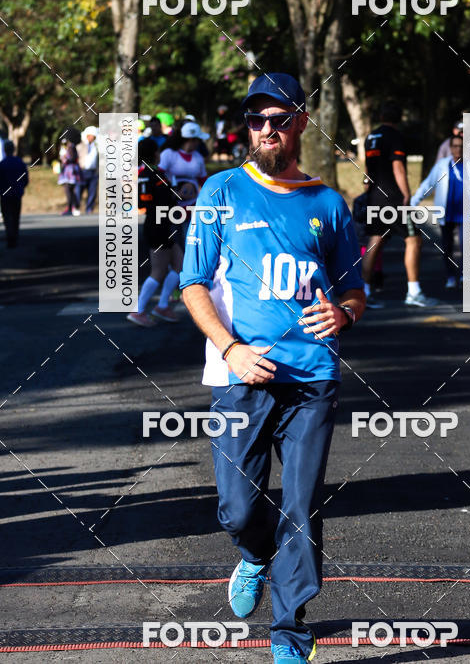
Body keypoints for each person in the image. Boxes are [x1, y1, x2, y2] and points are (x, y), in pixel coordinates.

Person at [180, 72, 365, 664]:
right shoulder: (220, 191)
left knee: (302, 503)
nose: (265, 130)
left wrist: (345, 314)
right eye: (256, 120)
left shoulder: (327, 202)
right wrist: (231, 348)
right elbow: (192, 284)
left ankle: (290, 632)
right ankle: (254, 554)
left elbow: (354, 292)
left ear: (300, 123)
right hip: (243, 375)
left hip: (312, 378)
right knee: (237, 506)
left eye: (277, 119)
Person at [363, 102, 435, 307]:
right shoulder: (395, 136)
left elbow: (368, 169)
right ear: (399, 119)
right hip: (392, 197)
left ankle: (365, 292)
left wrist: (367, 189)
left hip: (374, 196)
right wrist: (406, 193)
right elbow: (398, 167)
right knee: (413, 240)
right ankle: (413, 291)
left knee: (374, 242)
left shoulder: (371, 137)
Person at [128, 138, 182, 327]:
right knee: (158, 271)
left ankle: (163, 305)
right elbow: (168, 200)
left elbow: (142, 203)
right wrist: (177, 194)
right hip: (158, 224)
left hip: (155, 222)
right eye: (158, 151)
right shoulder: (157, 175)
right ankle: (139, 309)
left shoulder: (143, 173)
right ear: (153, 153)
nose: (160, 154)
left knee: (179, 264)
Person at [411, 134, 463, 288]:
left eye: (461, 146)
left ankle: (464, 275)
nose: (458, 149)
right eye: (455, 146)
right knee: (447, 246)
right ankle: (450, 276)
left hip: (466, 214)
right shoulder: (442, 165)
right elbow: (428, 184)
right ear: (450, 148)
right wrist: (414, 201)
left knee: (466, 246)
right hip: (446, 212)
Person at [0, 140, 28, 247]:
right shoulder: (20, 162)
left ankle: (9, 236)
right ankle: (15, 236)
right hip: (17, 194)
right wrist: (20, 188)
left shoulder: (2, 164)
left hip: (5, 194)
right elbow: (25, 179)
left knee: (7, 216)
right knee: (16, 216)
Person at [75, 126, 99, 214]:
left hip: (93, 171)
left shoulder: (96, 145)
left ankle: (89, 209)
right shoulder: (81, 144)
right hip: (82, 171)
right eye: (92, 135)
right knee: (79, 190)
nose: (93, 137)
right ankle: (76, 207)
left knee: (92, 192)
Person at [57, 139, 81, 216]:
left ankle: (72, 207)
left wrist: (66, 158)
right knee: (68, 189)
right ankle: (72, 207)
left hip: (71, 171)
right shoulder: (64, 147)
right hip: (66, 171)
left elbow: (73, 158)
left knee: (69, 189)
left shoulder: (71, 146)